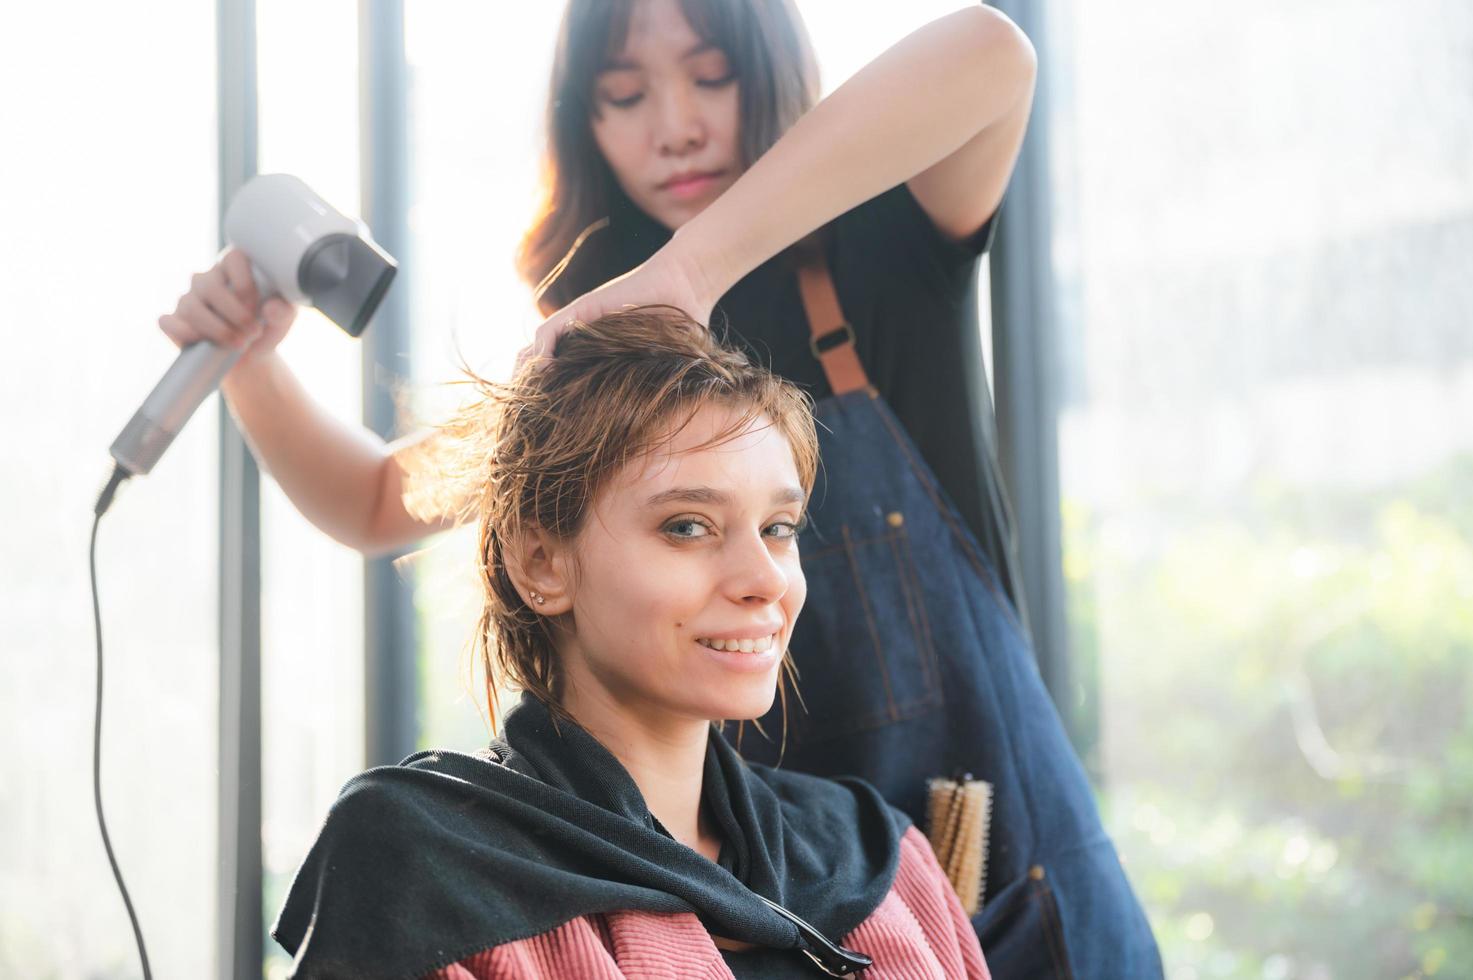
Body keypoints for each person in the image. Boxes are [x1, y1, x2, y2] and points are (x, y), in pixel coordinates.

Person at [165, 1, 1161, 973]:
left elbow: (994, 55)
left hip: (998, 893)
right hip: (763, 906)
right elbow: (382, 500)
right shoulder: (604, 346)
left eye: (712, 76)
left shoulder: (876, 248)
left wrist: (695, 267)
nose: (675, 124)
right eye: (624, 94)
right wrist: (248, 360)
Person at [274, 309, 992, 979]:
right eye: (687, 526)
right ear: (540, 565)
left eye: (778, 527)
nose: (764, 579)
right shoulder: (423, 863)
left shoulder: (877, 855)